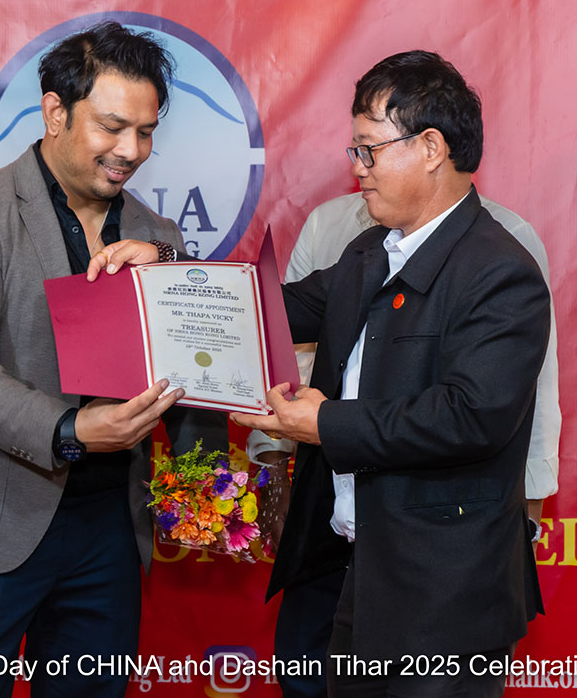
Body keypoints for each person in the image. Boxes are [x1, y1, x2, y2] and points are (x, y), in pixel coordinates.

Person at [0, 21, 225, 698]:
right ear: (55, 112)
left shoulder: (157, 235)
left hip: (109, 530)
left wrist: (205, 483)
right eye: (112, 127)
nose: (131, 150)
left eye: (146, 132)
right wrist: (69, 430)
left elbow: (195, 363)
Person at [230, 50, 551, 697]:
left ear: (430, 148)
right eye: (355, 150)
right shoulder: (369, 252)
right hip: (355, 565)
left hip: (442, 594)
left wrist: (324, 422)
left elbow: (470, 416)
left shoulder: (500, 271)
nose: (357, 167)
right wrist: (165, 270)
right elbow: (268, 310)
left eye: (369, 150)